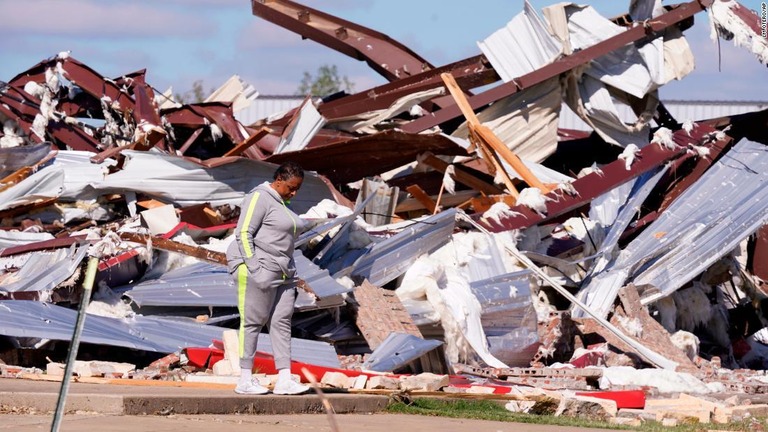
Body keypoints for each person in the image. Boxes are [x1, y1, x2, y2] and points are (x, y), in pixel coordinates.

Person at [226, 161, 310, 395]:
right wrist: (255, 268)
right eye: (291, 187)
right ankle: (244, 379)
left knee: (281, 323)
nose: (294, 193)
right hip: (261, 268)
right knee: (252, 322)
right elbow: (243, 232)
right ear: (279, 180)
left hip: (284, 272)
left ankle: (284, 378)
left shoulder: (283, 204)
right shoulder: (260, 197)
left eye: (298, 189)